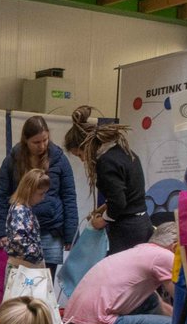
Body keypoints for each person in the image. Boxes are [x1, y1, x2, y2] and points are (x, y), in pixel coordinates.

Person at [63, 222, 178, 324]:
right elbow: (184, 301)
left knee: (150, 301)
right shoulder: (165, 256)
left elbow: (159, 305)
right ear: (175, 246)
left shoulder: (139, 252)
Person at [0, 116, 77, 278]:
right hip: (21, 233)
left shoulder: (60, 159)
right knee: (21, 282)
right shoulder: (12, 160)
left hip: (51, 230)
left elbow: (69, 197)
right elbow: (0, 197)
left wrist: (70, 234)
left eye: (45, 140)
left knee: (44, 282)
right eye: (36, 142)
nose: (42, 146)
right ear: (26, 140)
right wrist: (1, 232)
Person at [62, 105, 151, 255]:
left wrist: (101, 221)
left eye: (80, 154)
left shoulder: (106, 162)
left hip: (127, 231)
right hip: (141, 224)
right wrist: (102, 209)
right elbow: (126, 194)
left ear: (87, 145)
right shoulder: (123, 152)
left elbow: (119, 202)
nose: (83, 160)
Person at [4, 169, 50, 270]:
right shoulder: (19, 210)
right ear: (29, 190)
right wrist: (37, 254)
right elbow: (18, 239)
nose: (43, 198)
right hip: (22, 267)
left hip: (25, 265)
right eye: (41, 193)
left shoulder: (25, 209)